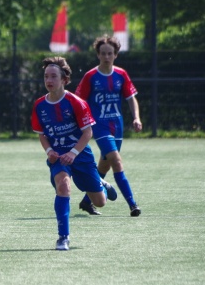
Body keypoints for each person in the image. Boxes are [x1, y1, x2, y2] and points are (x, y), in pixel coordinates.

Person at [31, 56, 117, 251]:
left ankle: (102, 184)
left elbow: (88, 132)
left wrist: (74, 153)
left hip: (81, 155)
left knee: (100, 202)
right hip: (59, 157)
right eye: (46, 76)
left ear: (64, 80)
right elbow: (42, 135)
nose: (49, 80)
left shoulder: (76, 102)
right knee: (63, 187)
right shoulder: (39, 105)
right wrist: (49, 150)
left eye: (53, 76)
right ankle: (63, 237)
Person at [75, 34, 142, 217]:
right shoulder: (91, 76)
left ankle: (86, 202)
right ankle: (132, 205)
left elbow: (131, 99)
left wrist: (136, 117)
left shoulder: (121, 74)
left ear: (116, 55)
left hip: (117, 126)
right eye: (103, 53)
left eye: (110, 53)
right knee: (116, 160)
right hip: (99, 125)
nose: (106, 57)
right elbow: (78, 101)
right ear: (98, 55)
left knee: (104, 166)